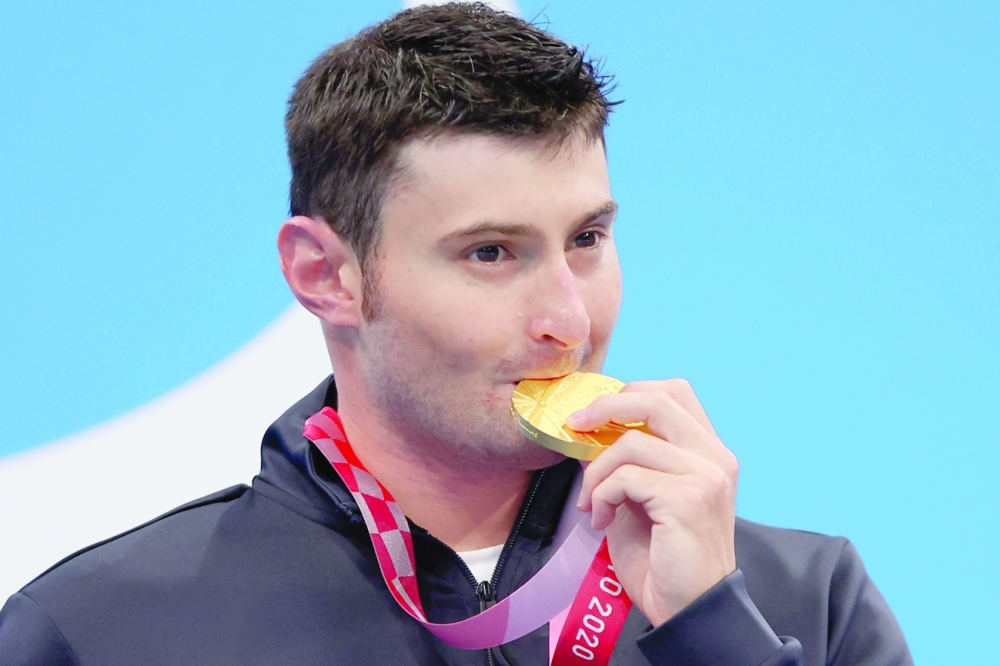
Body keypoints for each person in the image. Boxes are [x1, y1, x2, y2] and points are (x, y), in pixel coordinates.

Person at [0, 4, 912, 665]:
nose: (569, 320)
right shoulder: (100, 630)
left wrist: (713, 634)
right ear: (324, 275)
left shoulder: (803, 601)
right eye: (490, 253)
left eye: (587, 239)